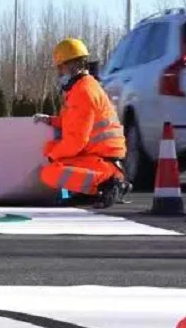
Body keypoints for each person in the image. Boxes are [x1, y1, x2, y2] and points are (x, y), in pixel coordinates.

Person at [33, 38, 130, 208]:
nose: (59, 72)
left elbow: (76, 142)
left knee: (50, 172)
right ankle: (93, 190)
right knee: (52, 155)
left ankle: (109, 182)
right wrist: (51, 121)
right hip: (98, 157)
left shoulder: (83, 92)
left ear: (72, 65)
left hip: (102, 161)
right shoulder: (83, 88)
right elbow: (72, 122)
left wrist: (51, 155)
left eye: (60, 67)